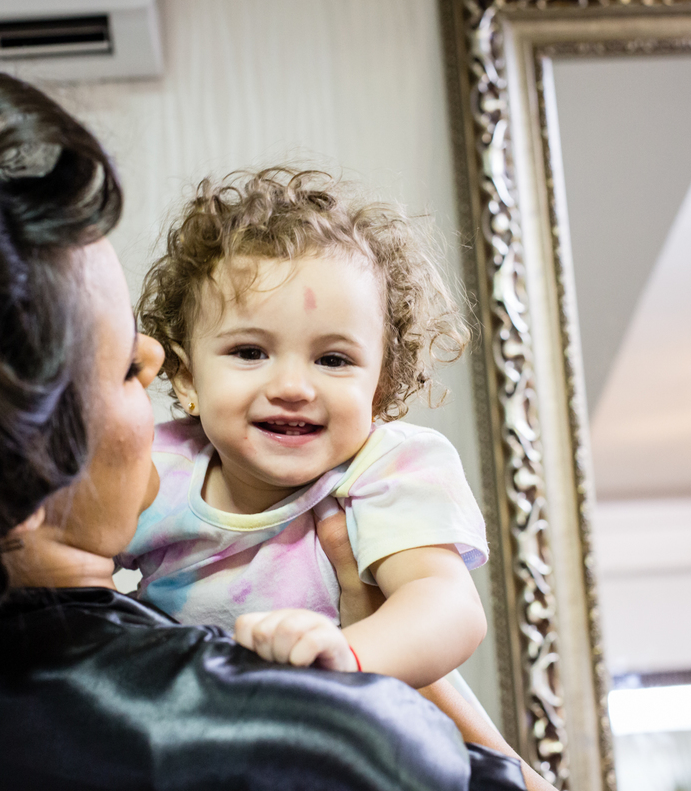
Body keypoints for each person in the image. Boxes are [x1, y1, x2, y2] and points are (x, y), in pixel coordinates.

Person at [0, 71, 526, 791]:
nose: (158, 360)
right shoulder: (313, 739)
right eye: (128, 368)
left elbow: (445, 610)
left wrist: (375, 650)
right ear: (19, 460)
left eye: (333, 357)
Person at [121, 169, 487, 690]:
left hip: (329, 733)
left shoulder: (387, 469)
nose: (293, 386)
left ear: (379, 388)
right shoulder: (156, 465)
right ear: (187, 378)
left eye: (333, 360)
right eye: (250, 352)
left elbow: (448, 605)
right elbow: (55, 556)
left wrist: (347, 655)